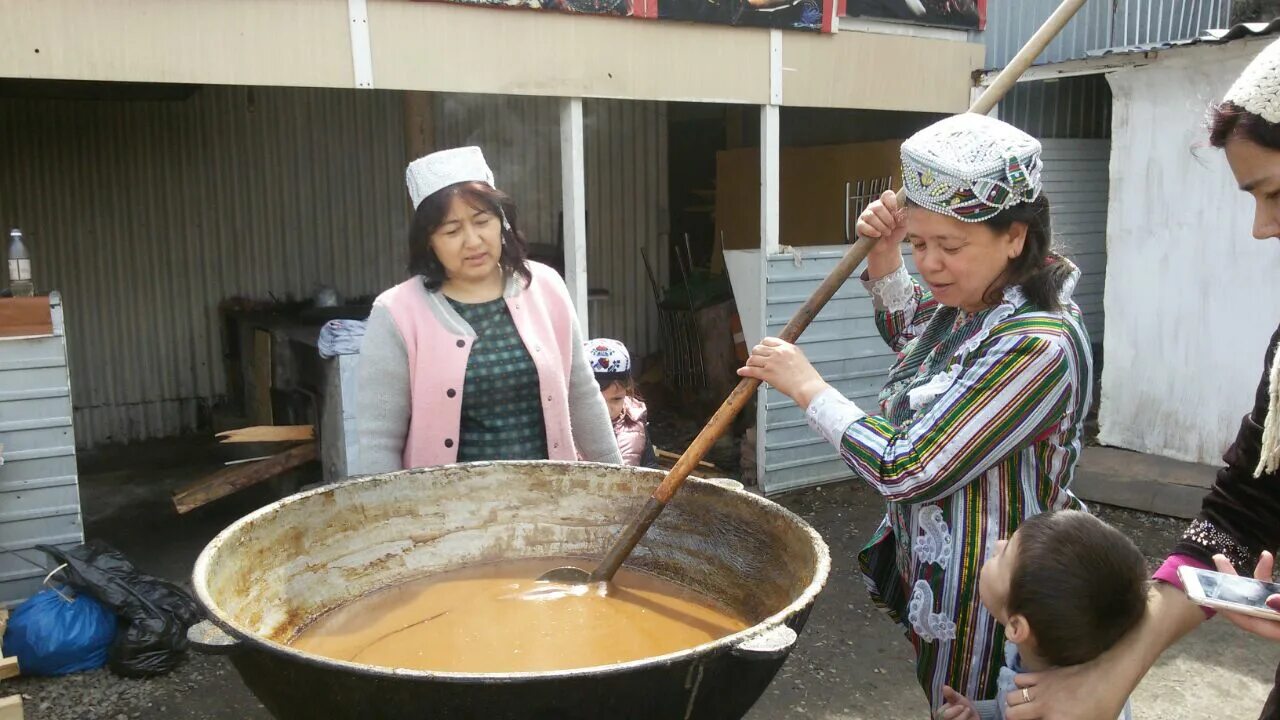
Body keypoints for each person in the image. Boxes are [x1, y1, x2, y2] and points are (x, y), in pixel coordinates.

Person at [738, 113, 1094, 710]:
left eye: (950, 246)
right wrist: (884, 252)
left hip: (1004, 603)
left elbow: (911, 466)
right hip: (946, 581)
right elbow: (915, 337)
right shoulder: (977, 303)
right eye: (920, 242)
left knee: (986, 705)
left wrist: (808, 389)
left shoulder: (1037, 345)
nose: (929, 264)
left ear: (1016, 236)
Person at [1001, 38, 1280, 720]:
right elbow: (1237, 515)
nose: (1261, 228)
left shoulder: (1044, 337)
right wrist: (1116, 670)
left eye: (1274, 193)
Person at [356, 146, 622, 472]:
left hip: (548, 505)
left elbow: (582, 398)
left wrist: (623, 489)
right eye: (452, 231)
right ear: (429, 241)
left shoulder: (546, 287)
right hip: (445, 515)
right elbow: (378, 441)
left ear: (502, 223)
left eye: (482, 221)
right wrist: (385, 519)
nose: (473, 241)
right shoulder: (396, 313)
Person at [936, 510, 1146, 720]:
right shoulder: (1080, 662)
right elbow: (1008, 706)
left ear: (1017, 628)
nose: (997, 544)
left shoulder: (1056, 712)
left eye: (1003, 557)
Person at [585, 338, 660, 469]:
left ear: (627, 391)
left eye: (616, 399)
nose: (606, 409)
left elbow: (650, 468)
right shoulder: (568, 427)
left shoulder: (636, 422)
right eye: (598, 401)